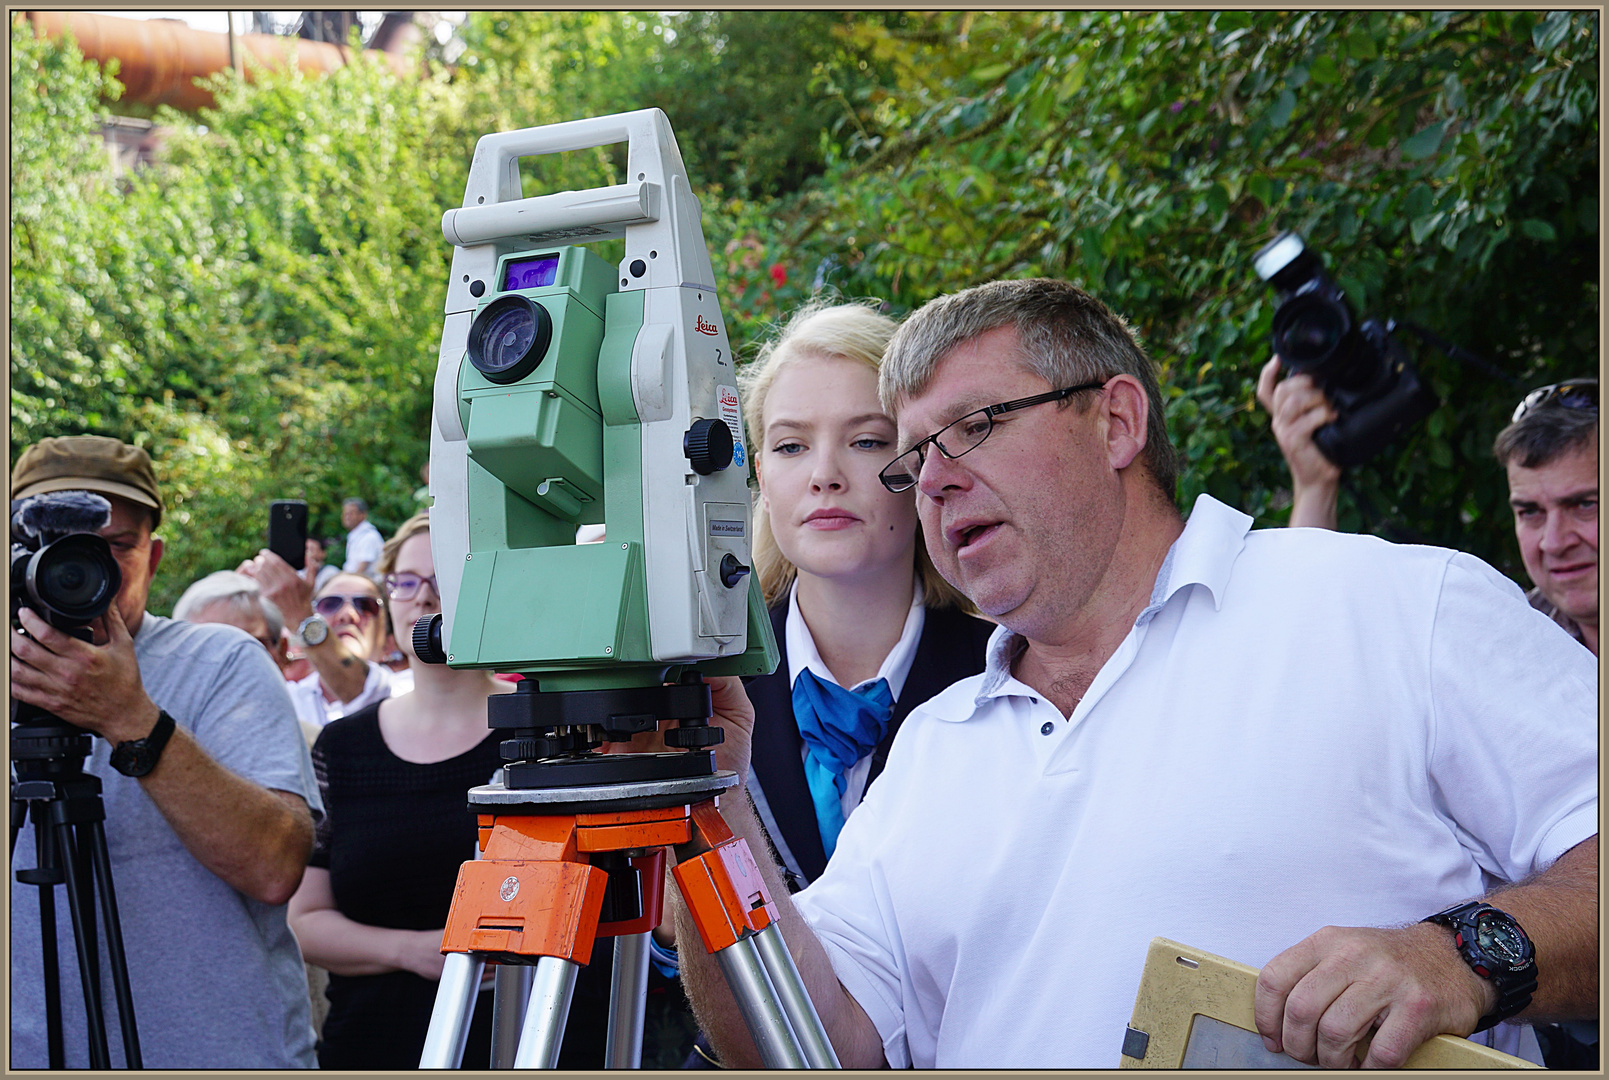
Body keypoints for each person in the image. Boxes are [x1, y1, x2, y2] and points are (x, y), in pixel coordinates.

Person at [661, 279, 1595, 1069]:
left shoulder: (1391, 603)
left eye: (973, 427)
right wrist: (711, 801)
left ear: (1113, 420)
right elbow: (798, 1040)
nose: (933, 479)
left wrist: (1463, 956)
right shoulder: (934, 751)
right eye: (911, 458)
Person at [9, 435, 321, 1068]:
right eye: (50, 549)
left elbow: (275, 867)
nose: (79, 566)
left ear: (152, 557)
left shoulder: (222, 661)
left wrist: (130, 719)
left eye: (114, 546)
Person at [736, 301, 993, 891]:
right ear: (762, 482)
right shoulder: (704, 687)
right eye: (791, 446)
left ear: (922, 465)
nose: (824, 474)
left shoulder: (1008, 674)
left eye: (868, 441)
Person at [286, 513, 514, 1069]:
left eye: (445, 578)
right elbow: (305, 921)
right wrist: (415, 951)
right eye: (407, 581)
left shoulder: (538, 731)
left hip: (522, 1041)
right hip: (371, 1044)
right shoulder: (342, 748)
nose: (424, 597)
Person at [1259, 361, 1598, 660]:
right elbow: (1306, 653)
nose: (1553, 542)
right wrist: (1315, 486)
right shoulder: (1512, 640)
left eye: (1585, 505)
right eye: (1530, 512)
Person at [241, 551, 411, 730]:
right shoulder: (284, 698)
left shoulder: (411, 690)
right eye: (330, 604)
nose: (347, 615)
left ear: (388, 643)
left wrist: (302, 619)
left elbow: (368, 693)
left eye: (365, 606)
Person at [341, 497, 384, 575]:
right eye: (345, 513)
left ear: (363, 515)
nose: (347, 517)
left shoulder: (369, 537)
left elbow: (362, 568)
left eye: (351, 513)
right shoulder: (355, 535)